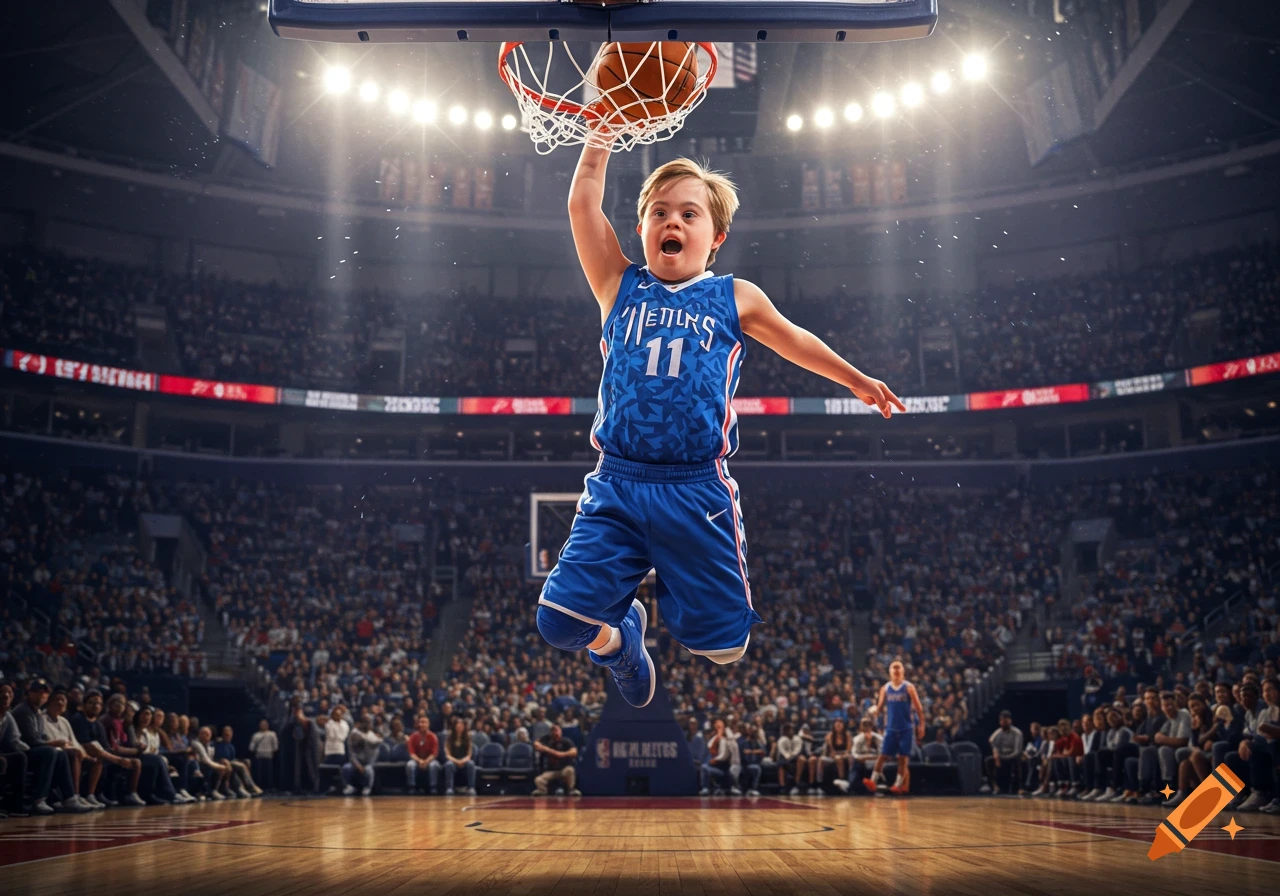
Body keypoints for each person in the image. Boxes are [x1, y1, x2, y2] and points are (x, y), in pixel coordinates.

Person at [534, 146, 905, 708]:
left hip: (696, 488)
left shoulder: (733, 295)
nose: (672, 222)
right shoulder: (618, 284)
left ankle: (677, 611)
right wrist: (601, 136)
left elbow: (795, 338)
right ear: (640, 229)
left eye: (689, 213)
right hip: (618, 483)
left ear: (716, 237)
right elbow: (583, 199)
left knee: (726, 648)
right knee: (558, 624)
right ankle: (620, 642)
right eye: (659, 213)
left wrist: (853, 379)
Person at [10, 679, 91, 813]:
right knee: (51, 752)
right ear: (29, 693)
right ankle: (38, 799)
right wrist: (53, 743)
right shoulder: (23, 710)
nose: (42, 695)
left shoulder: (37, 712)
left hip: (34, 750)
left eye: (45, 693)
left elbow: (41, 738)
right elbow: (31, 741)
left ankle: (69, 797)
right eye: (37, 692)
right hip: (21, 751)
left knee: (61, 753)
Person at [69, 689, 144, 806]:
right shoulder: (78, 719)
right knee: (99, 758)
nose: (95, 706)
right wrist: (118, 759)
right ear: (83, 705)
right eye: (91, 702)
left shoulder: (98, 724)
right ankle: (85, 795)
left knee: (134, 762)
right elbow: (87, 746)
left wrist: (119, 757)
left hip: (99, 754)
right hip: (78, 754)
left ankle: (129, 794)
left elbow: (105, 747)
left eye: (98, 703)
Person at [862, 661, 925, 795]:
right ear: (890, 671)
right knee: (883, 755)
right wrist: (874, 714)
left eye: (898, 668)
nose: (896, 670)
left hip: (906, 728)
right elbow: (879, 708)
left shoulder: (909, 687)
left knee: (902, 758)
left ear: (903, 671)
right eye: (893, 668)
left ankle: (898, 785)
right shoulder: (885, 688)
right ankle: (873, 780)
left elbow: (919, 709)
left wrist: (921, 725)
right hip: (890, 728)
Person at [982, 711, 1024, 795]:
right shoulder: (998, 732)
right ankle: (994, 786)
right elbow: (992, 742)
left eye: (1006, 721)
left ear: (1010, 721)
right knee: (988, 760)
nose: (1003, 723)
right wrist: (996, 754)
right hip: (1001, 756)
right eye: (1002, 721)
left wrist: (1004, 757)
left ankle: (1019, 787)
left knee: (1018, 760)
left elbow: (1017, 751)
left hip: (1012, 756)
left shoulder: (1017, 733)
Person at [533, 723, 580, 796]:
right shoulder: (547, 740)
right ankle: (543, 791)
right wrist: (540, 746)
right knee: (538, 780)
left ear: (561, 731)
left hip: (563, 769)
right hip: (552, 771)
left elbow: (574, 752)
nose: (555, 732)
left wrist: (556, 753)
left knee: (570, 770)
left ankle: (571, 790)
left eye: (556, 730)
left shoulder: (566, 741)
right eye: (552, 730)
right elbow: (536, 744)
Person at [343, 714, 383, 796]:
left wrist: (379, 739)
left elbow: (375, 745)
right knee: (346, 768)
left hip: (368, 762)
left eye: (370, 723)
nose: (369, 725)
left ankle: (367, 788)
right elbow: (351, 753)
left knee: (369, 770)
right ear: (361, 723)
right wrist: (358, 765)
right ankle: (350, 786)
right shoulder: (354, 733)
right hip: (356, 761)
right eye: (367, 723)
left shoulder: (371, 734)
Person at [842, 718, 882, 794]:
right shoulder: (857, 739)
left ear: (872, 726)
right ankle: (851, 785)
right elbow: (855, 754)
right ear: (861, 727)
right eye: (864, 725)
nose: (866, 727)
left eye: (868, 725)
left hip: (875, 762)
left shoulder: (878, 738)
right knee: (855, 762)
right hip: (861, 762)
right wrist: (864, 758)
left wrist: (868, 757)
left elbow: (882, 754)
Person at [405, 715, 441, 794]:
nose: (422, 724)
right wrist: (420, 761)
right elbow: (411, 753)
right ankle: (412, 788)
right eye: (420, 722)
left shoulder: (433, 737)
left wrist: (426, 761)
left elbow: (434, 753)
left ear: (428, 724)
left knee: (433, 765)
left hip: (430, 760)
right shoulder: (413, 736)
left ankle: (433, 788)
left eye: (424, 722)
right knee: (410, 765)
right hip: (417, 760)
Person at [443, 717, 476, 795]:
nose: (459, 727)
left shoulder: (468, 738)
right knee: (449, 764)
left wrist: (463, 761)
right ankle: (449, 788)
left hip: (464, 761)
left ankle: (471, 788)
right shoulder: (449, 738)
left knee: (471, 764)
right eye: (458, 725)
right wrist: (456, 761)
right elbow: (447, 754)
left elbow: (469, 754)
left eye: (461, 725)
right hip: (453, 761)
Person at [820, 719, 852, 793]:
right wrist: (836, 754)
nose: (838, 724)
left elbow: (848, 750)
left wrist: (844, 754)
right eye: (837, 723)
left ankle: (846, 780)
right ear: (834, 725)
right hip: (832, 755)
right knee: (834, 759)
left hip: (844, 754)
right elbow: (831, 750)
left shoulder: (847, 735)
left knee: (848, 758)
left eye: (840, 723)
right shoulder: (830, 735)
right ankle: (820, 782)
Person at [249, 719, 279, 792]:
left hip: (269, 755)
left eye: (265, 724)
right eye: (262, 724)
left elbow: (275, 745)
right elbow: (251, 746)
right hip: (259, 755)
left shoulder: (272, 734)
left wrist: (273, 751)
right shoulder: (256, 735)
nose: (264, 725)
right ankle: (260, 787)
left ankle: (270, 787)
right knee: (260, 773)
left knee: (269, 773)